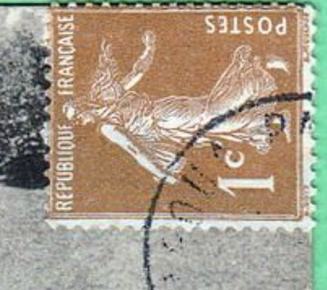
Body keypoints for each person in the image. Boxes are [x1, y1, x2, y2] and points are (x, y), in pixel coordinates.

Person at [64, 32, 282, 182]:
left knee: (211, 115)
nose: (79, 123)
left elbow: (135, 151)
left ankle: (253, 82)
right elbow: (136, 150)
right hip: (165, 123)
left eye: (77, 117)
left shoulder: (107, 112)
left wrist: (149, 48)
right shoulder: (107, 118)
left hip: (164, 116)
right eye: (76, 122)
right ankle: (258, 114)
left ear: (84, 107)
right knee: (211, 118)